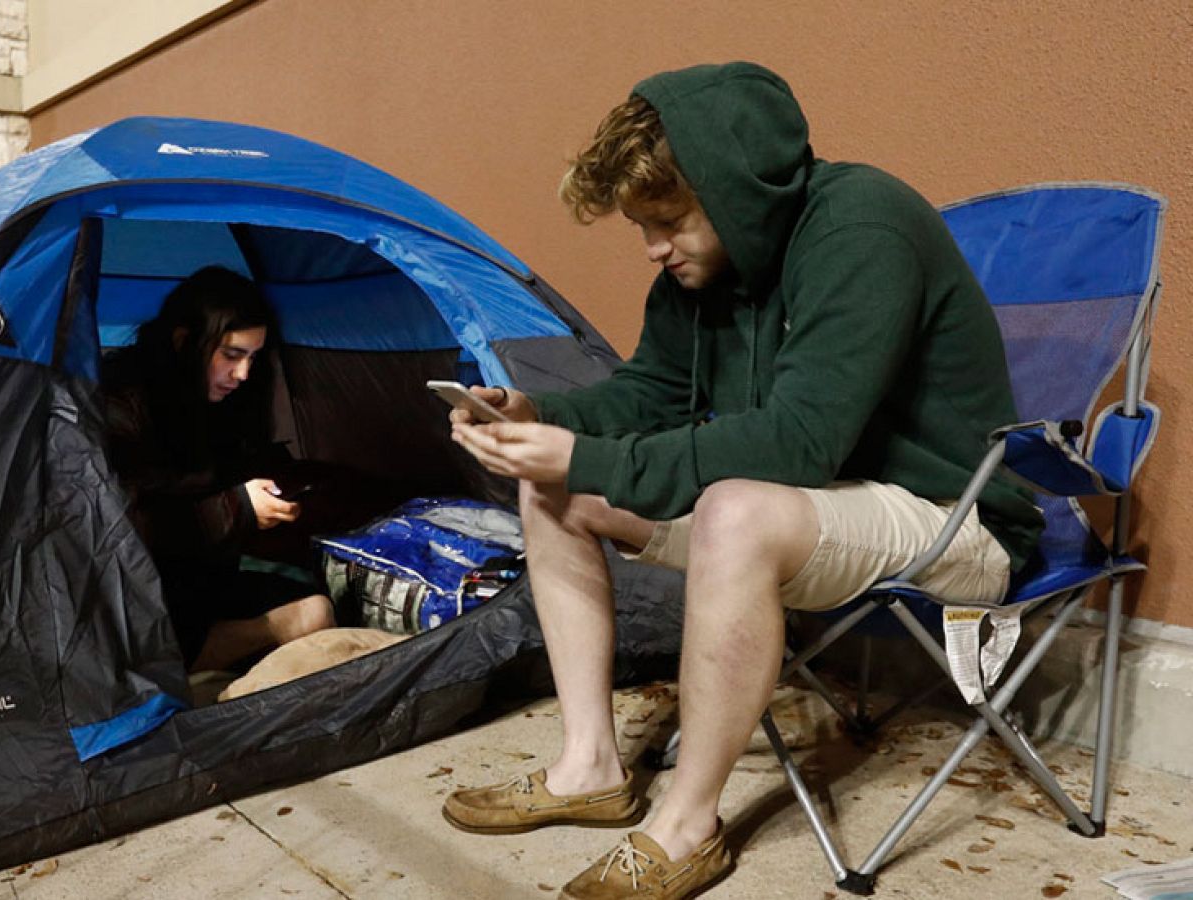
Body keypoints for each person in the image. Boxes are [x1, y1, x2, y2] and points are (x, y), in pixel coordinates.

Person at [441, 62, 1042, 899]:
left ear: (736, 187)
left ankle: (688, 824)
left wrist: (589, 457)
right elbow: (650, 390)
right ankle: (590, 769)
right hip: (824, 511)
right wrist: (537, 412)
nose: (655, 247)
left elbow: (803, 443)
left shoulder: (862, 227)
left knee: (731, 507)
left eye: (669, 221)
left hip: (952, 518)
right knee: (555, 494)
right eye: (642, 227)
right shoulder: (707, 275)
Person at [102, 265, 334, 674]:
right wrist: (239, 507)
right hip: (131, 603)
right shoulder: (121, 403)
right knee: (310, 618)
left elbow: (227, 475)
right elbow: (123, 530)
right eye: (231, 355)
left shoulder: (221, 401)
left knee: (320, 603)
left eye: (252, 357)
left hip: (202, 582)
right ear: (184, 341)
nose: (242, 374)